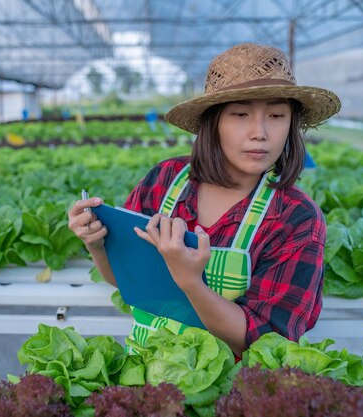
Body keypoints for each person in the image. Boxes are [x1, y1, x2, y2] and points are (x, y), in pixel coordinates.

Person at [67, 43, 341, 357]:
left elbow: (269, 342)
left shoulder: (296, 218)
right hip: (145, 370)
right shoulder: (166, 179)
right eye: (240, 114)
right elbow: (126, 282)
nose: (260, 132)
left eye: (277, 115)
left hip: (233, 392)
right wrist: (97, 243)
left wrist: (191, 283)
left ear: (291, 125)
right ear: (214, 123)